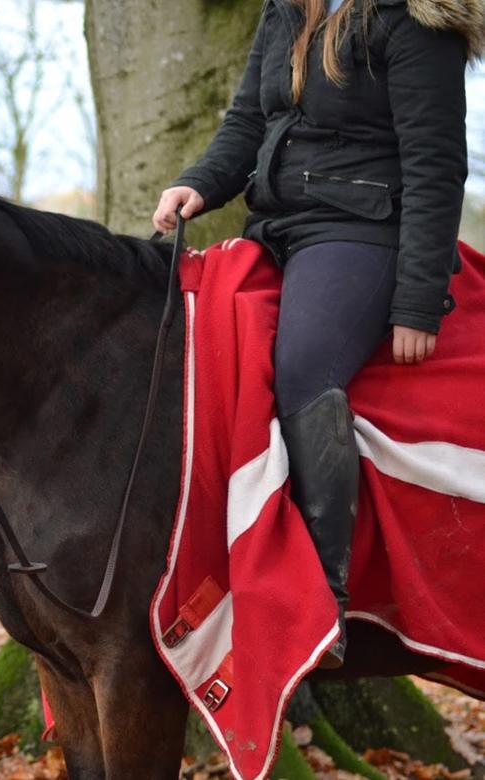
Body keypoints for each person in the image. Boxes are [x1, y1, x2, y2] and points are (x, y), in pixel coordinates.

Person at [152, 0, 478, 667]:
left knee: (301, 372)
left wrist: (417, 302)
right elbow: (248, 120)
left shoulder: (414, 20)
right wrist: (197, 185)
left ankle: (321, 601)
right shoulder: (287, 10)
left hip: (363, 230)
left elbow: (435, 164)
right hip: (277, 225)